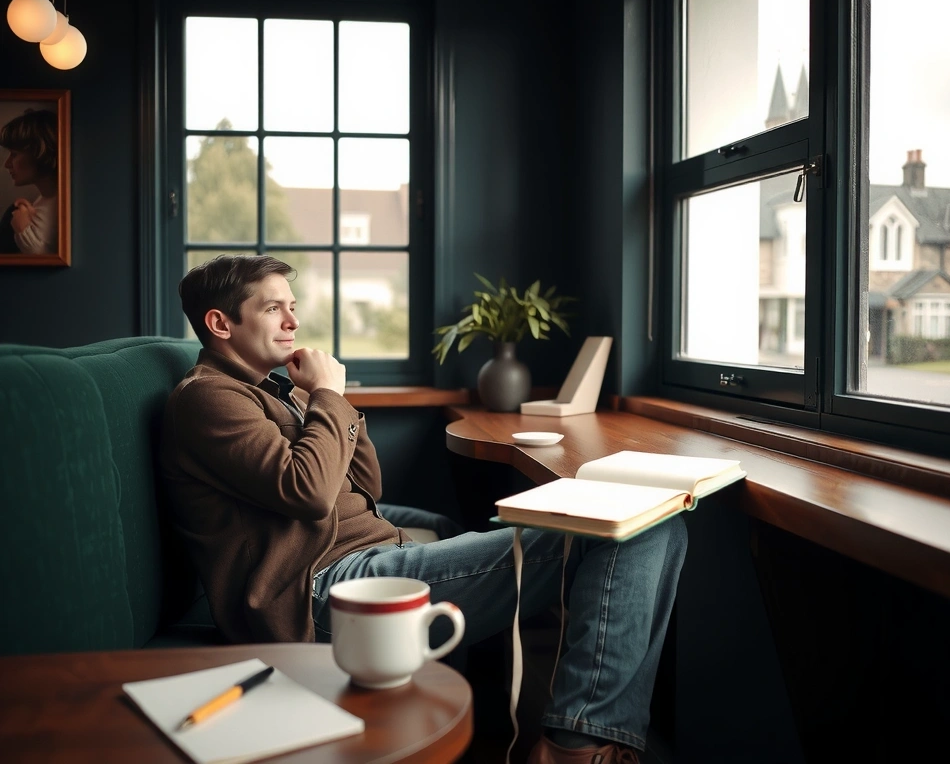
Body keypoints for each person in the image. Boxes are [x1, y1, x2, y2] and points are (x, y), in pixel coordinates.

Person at [160, 255, 688, 764]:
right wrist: (327, 396)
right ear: (220, 322)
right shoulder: (209, 398)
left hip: (360, 562)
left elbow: (364, 485)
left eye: (293, 305)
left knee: (655, 521)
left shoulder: (275, 391)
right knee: (637, 530)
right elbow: (311, 492)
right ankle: (576, 746)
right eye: (274, 308)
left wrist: (328, 401)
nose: (294, 321)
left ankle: (580, 730)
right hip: (322, 596)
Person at [0, 108, 59, 255]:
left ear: (39, 152)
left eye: (14, 154)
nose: (7, 164)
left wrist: (23, 229)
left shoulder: (62, 206)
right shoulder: (44, 200)